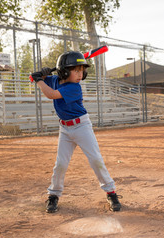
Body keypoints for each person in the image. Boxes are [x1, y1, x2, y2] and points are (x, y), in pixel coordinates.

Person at [30, 51, 122, 213]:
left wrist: (38, 80)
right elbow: (39, 80)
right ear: (64, 71)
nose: (81, 74)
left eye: (82, 71)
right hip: (65, 129)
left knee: (95, 160)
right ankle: (53, 195)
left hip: (81, 127)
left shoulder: (74, 88)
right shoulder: (55, 80)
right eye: (76, 70)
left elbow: (50, 94)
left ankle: (111, 192)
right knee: (60, 164)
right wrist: (40, 75)